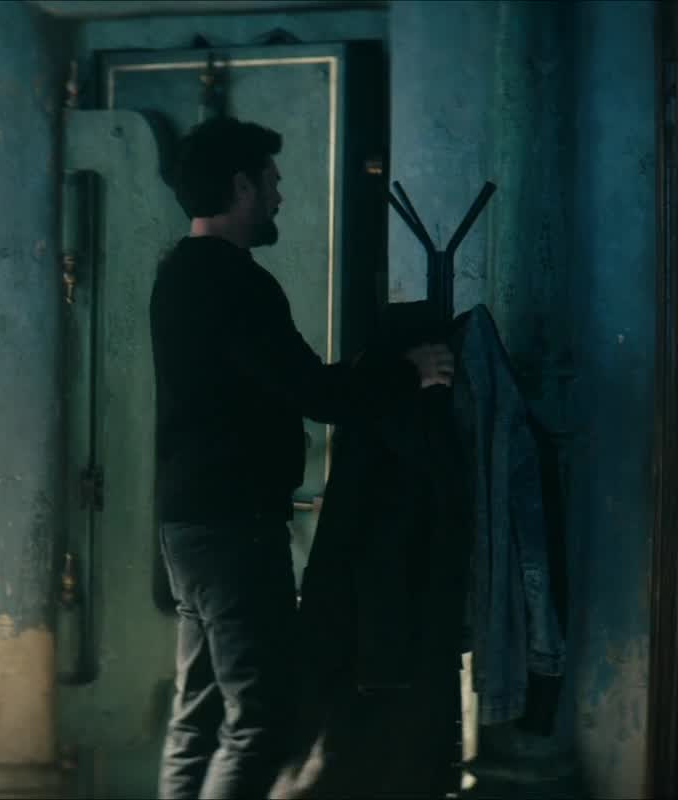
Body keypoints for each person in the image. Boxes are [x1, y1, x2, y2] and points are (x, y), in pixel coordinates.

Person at [147, 115, 455, 800]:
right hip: (234, 528)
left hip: (189, 525)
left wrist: (371, 374)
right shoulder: (237, 282)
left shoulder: (179, 274)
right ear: (242, 186)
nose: (279, 196)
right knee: (260, 718)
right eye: (273, 182)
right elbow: (313, 392)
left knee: (198, 716)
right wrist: (410, 372)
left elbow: (281, 382)